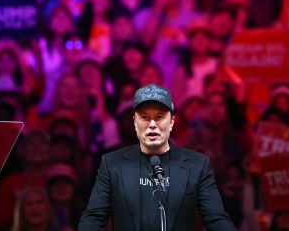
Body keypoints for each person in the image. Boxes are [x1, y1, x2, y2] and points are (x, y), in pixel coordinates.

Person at [79, 84, 235, 230]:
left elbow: (216, 219)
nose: (152, 124)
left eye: (160, 117)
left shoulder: (197, 165)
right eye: (145, 117)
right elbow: (93, 218)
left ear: (172, 122)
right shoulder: (112, 164)